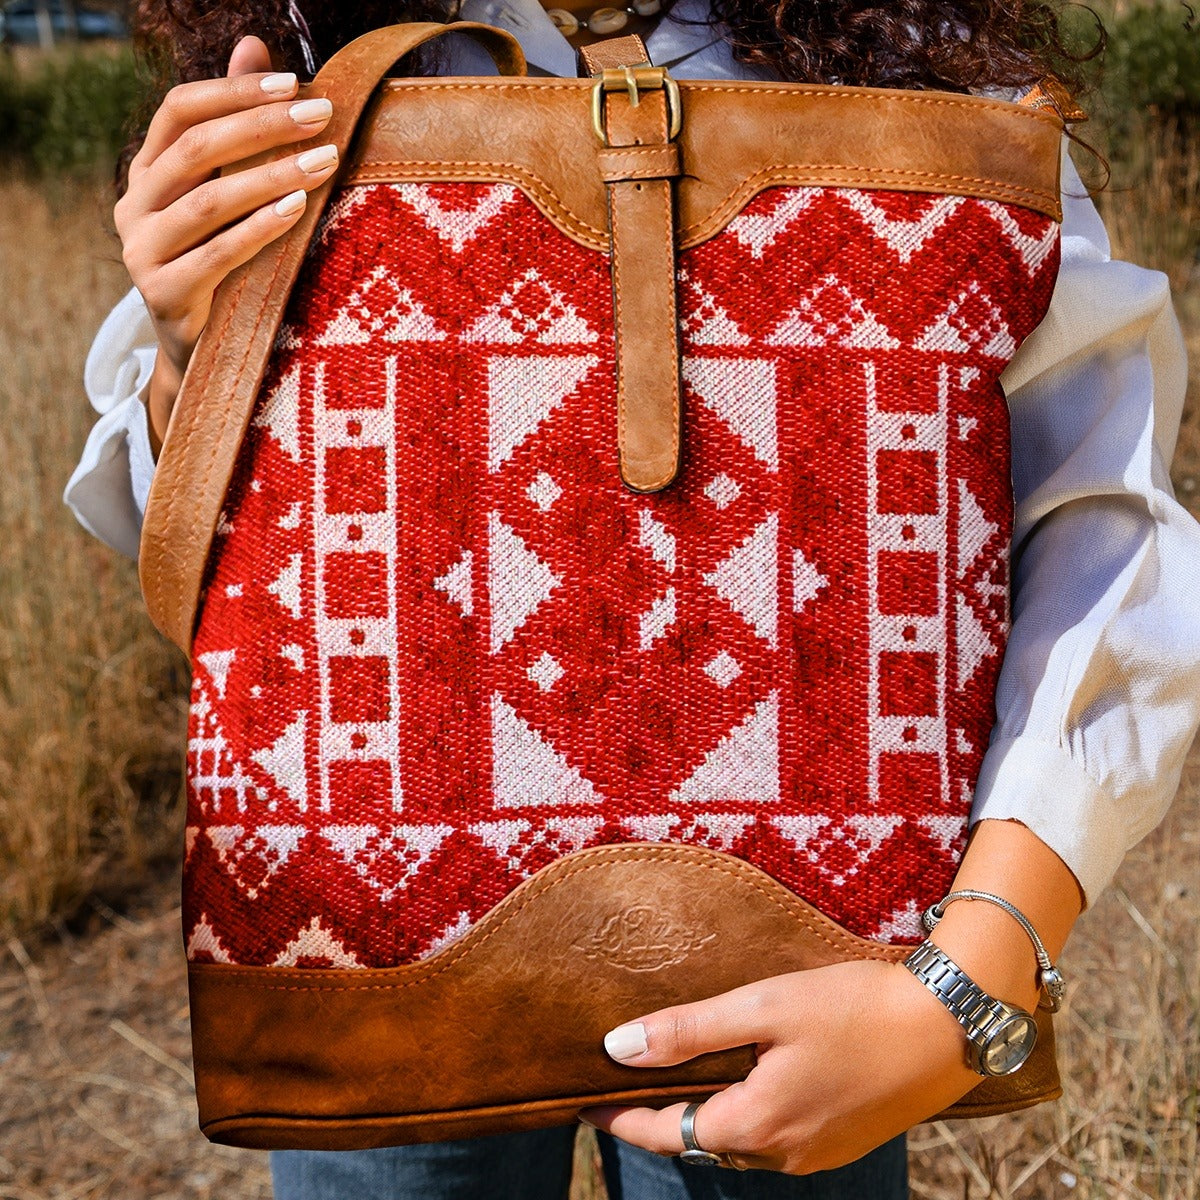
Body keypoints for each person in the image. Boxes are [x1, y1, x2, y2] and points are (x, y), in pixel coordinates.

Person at [63, 0, 1198, 1196]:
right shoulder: (313, 45)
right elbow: (220, 585)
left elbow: (1098, 522)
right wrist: (193, 347)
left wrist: (968, 980)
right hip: (375, 975)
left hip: (811, 1001)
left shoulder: (920, 64)